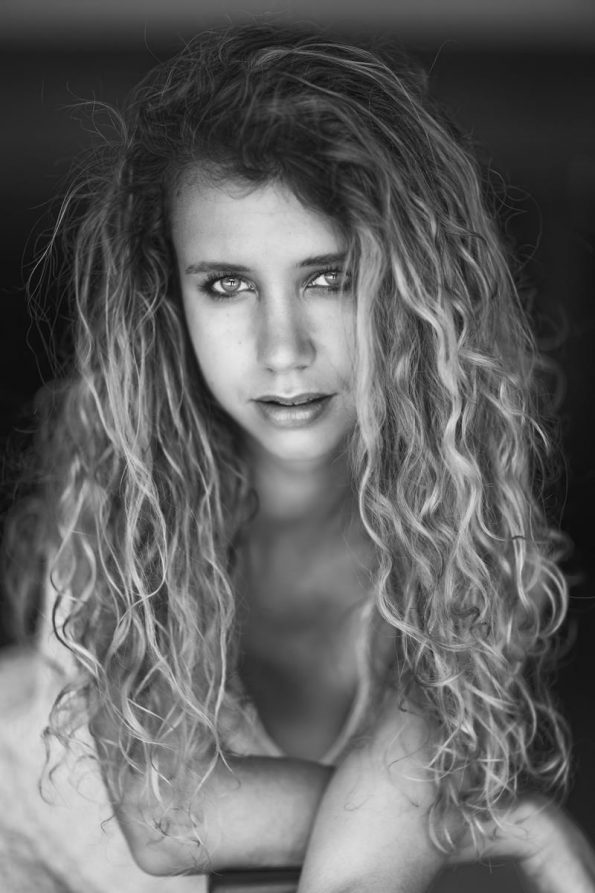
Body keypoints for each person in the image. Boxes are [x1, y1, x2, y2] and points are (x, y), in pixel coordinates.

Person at [2, 20, 595, 893]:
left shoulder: (450, 521)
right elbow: (169, 822)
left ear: (409, 290)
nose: (282, 349)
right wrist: (485, 820)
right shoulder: (123, 502)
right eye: (226, 285)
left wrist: (428, 824)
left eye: (328, 278)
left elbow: (369, 849)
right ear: (170, 301)